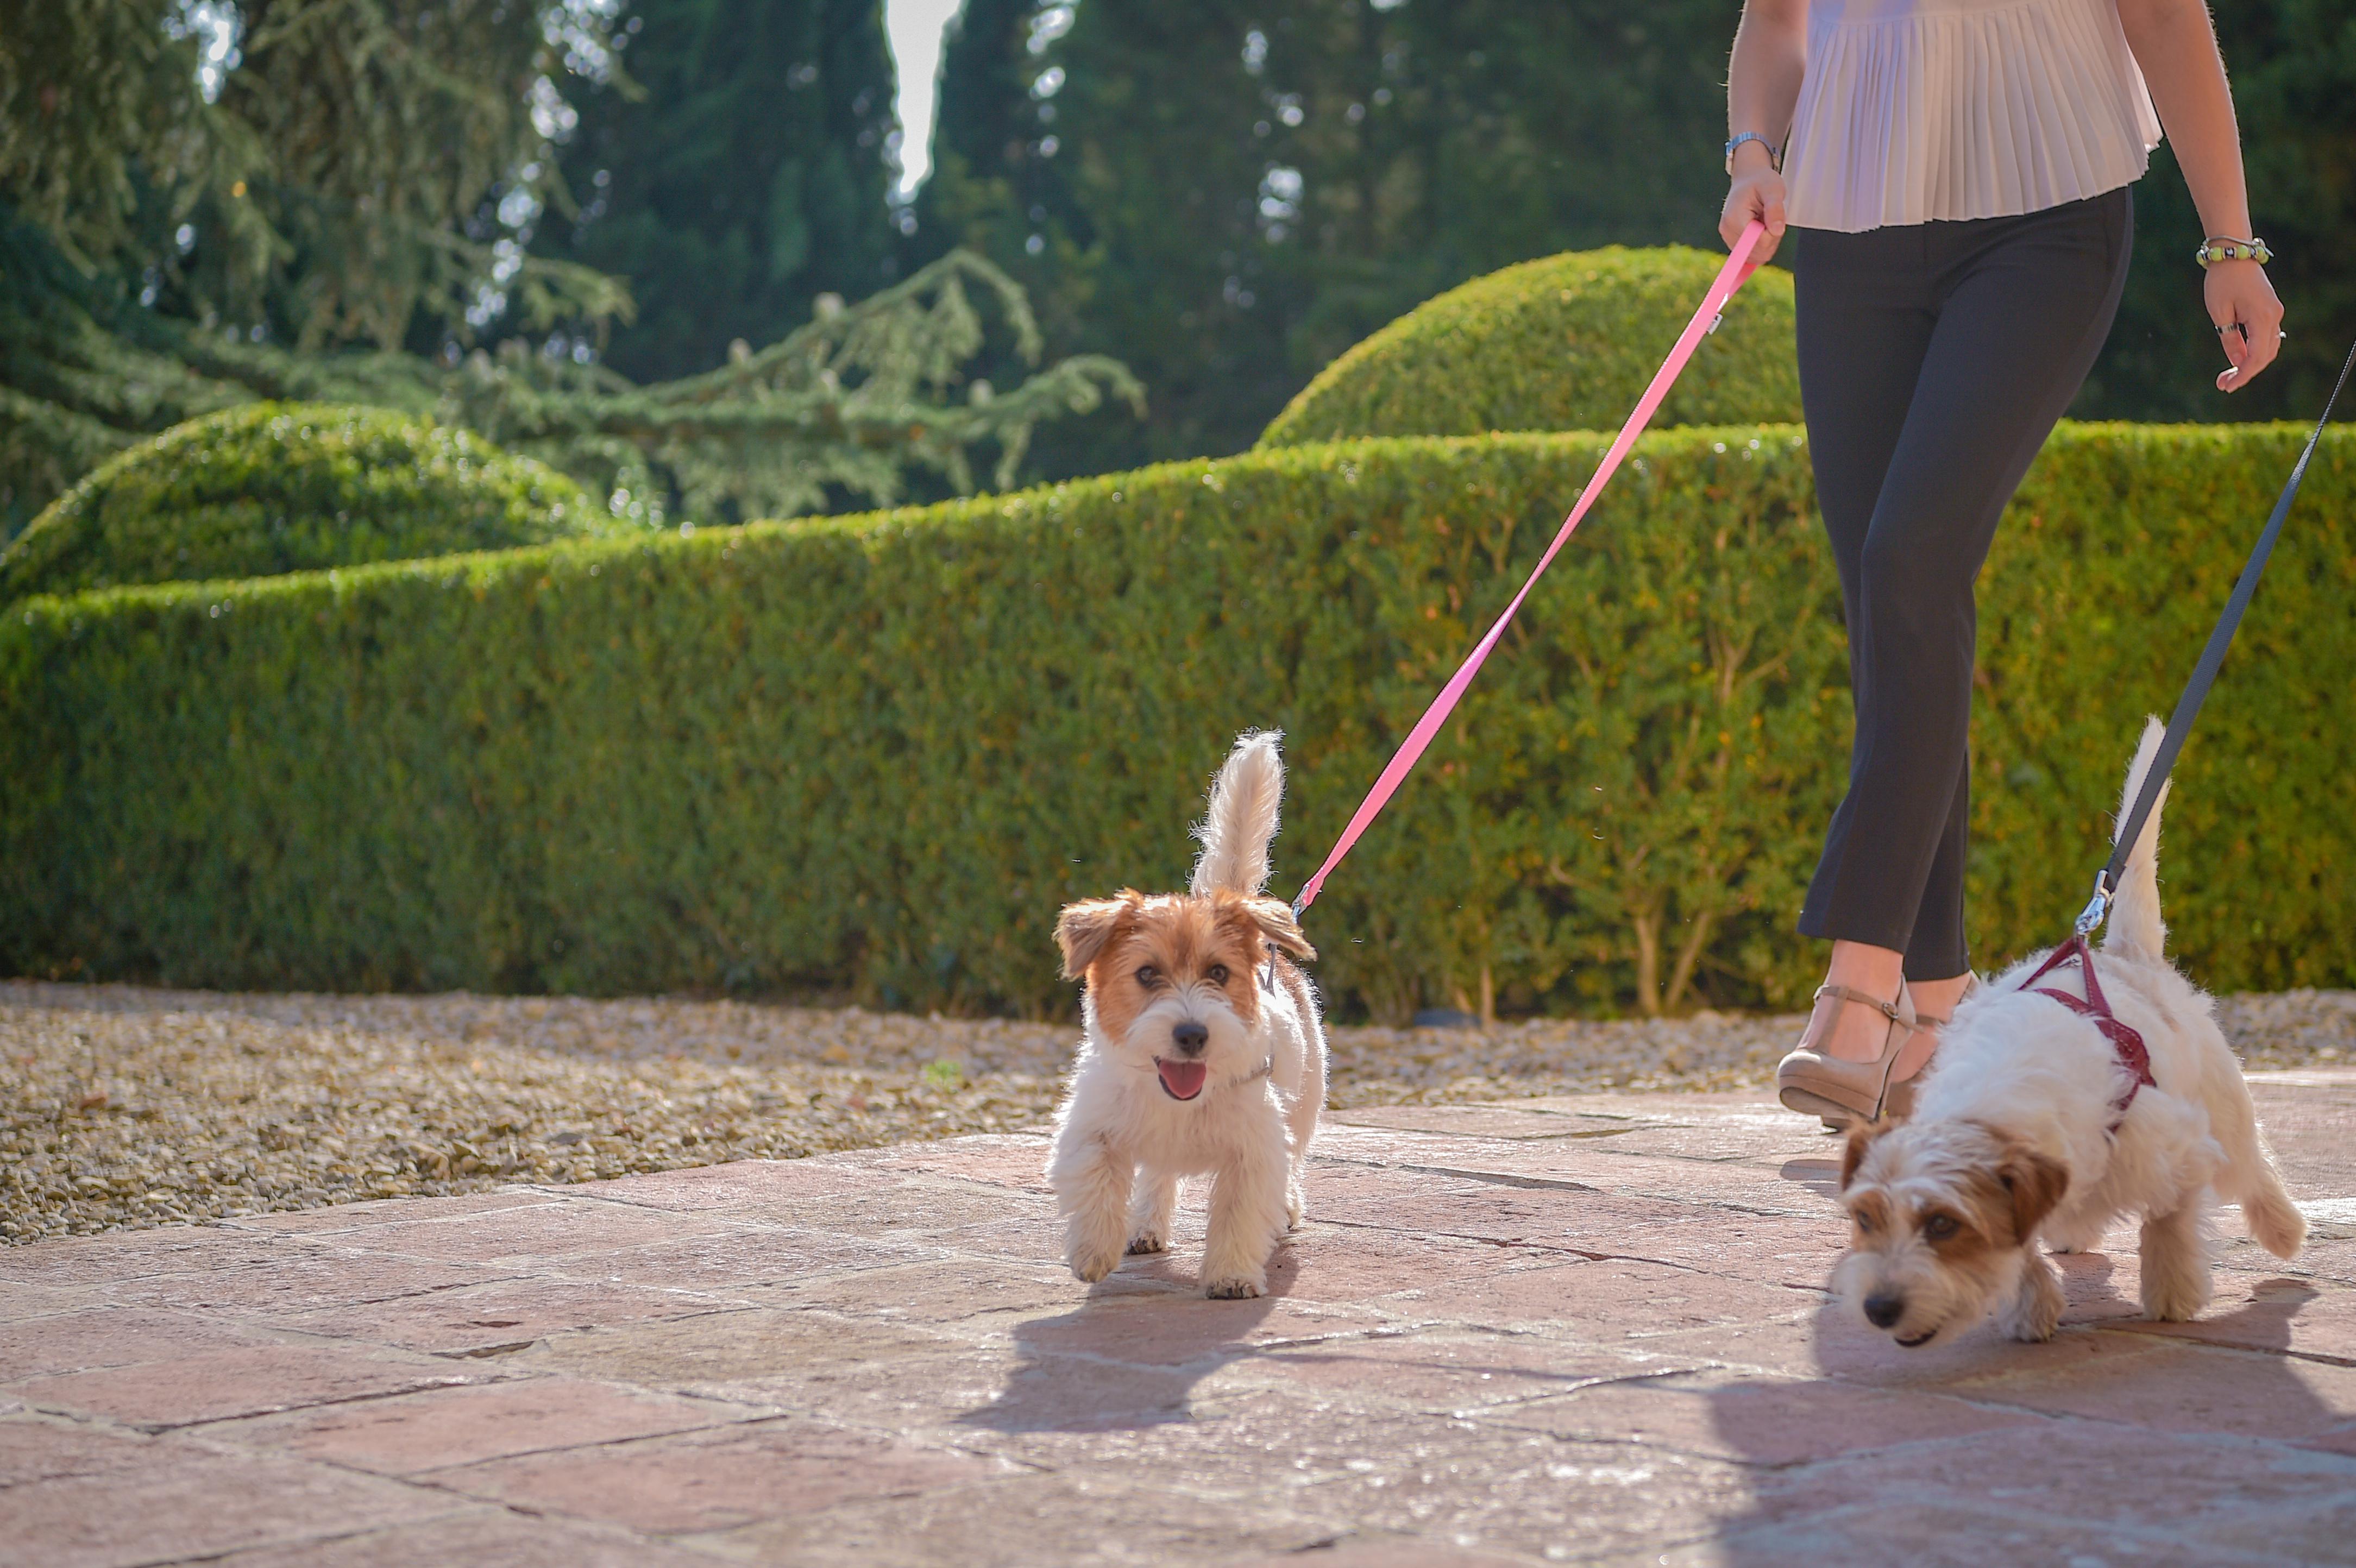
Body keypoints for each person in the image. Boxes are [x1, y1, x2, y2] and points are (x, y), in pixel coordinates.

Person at [1719, 0, 2283, 1125]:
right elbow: (1776, 21)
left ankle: (1861, 978)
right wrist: (1751, 155)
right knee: (1892, 606)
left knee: (1912, 556)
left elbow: (2165, 16)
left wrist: (2230, 243)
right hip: (1848, 227)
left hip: (2044, 218)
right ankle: (1943, 1017)